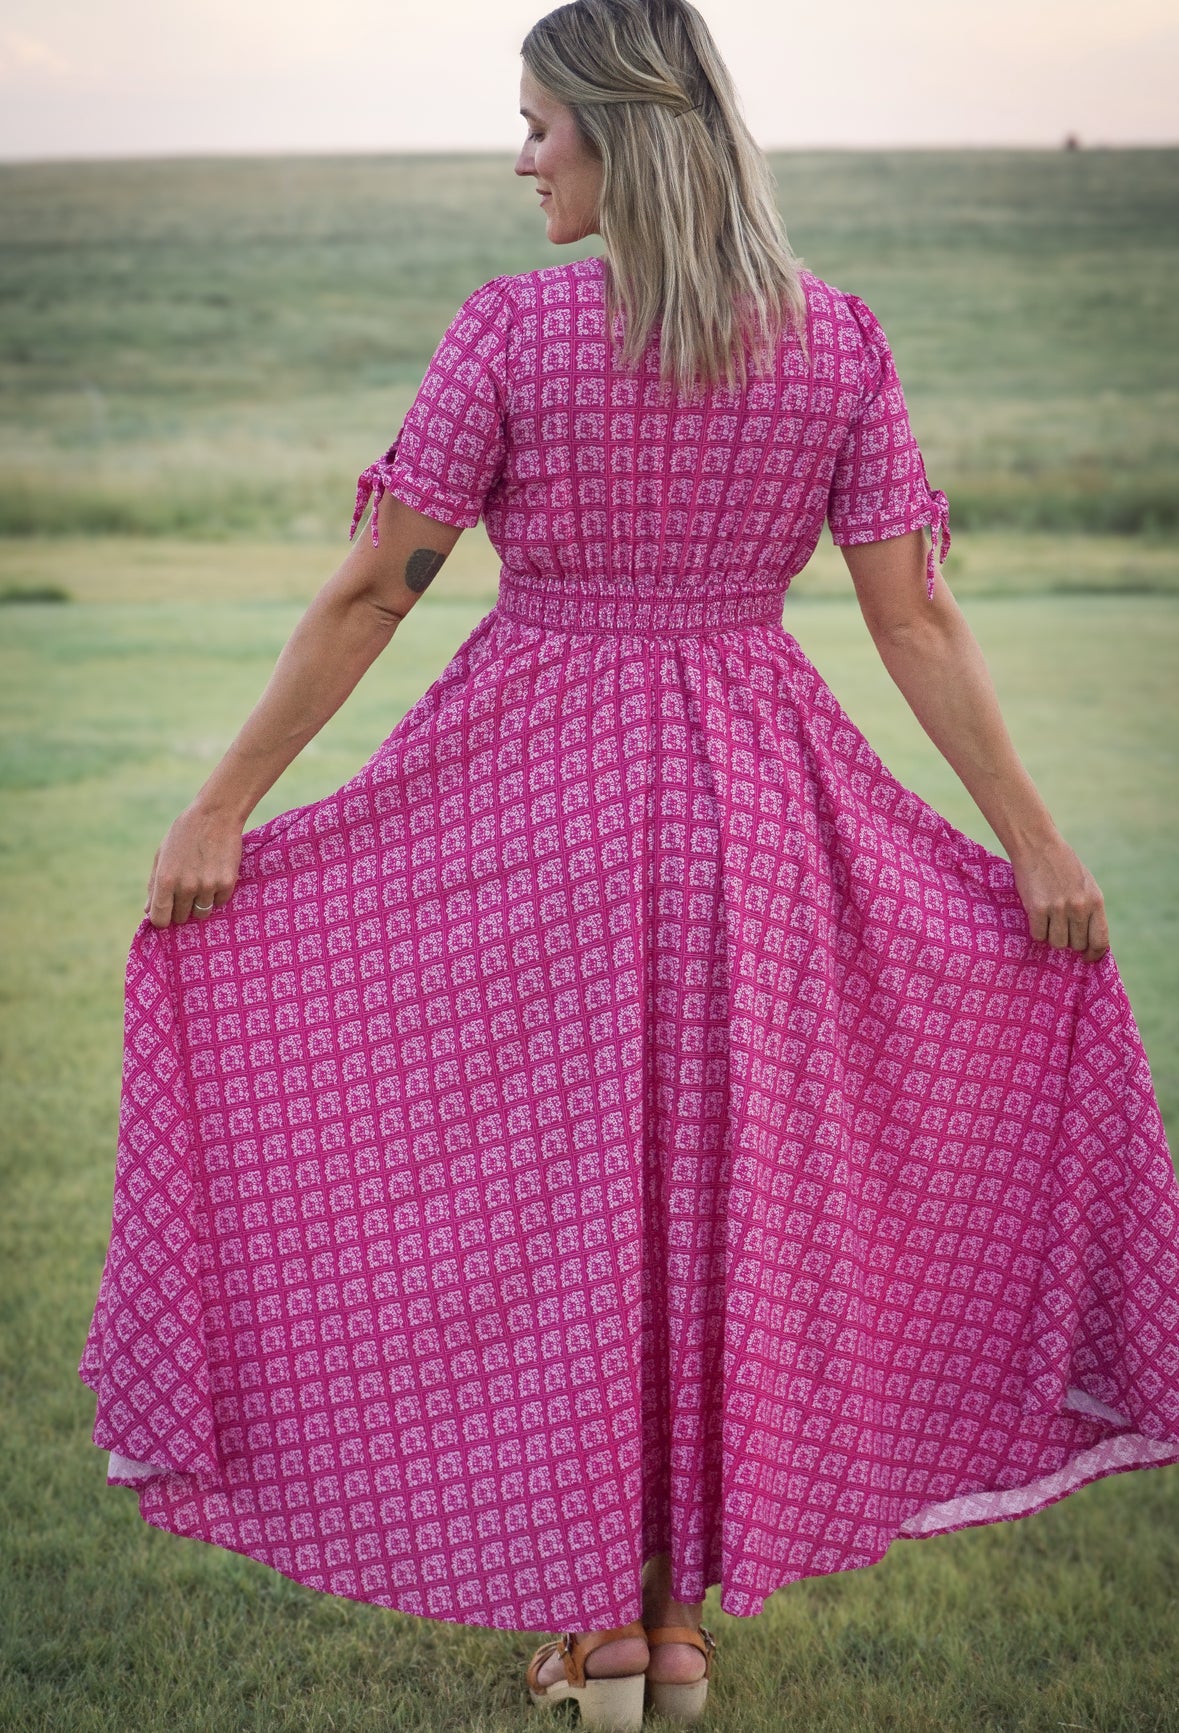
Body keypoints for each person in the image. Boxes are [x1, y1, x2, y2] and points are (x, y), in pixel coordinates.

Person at [78, 2, 1179, 1729]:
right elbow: (912, 616)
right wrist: (1029, 836)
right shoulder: (834, 344)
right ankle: (658, 1631)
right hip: (757, 808)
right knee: (708, 1195)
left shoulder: (513, 334)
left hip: (539, 804)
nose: (520, 160)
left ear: (623, 133)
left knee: (571, 1201)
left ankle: (604, 1632)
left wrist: (224, 800)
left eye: (539, 127)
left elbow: (380, 589)